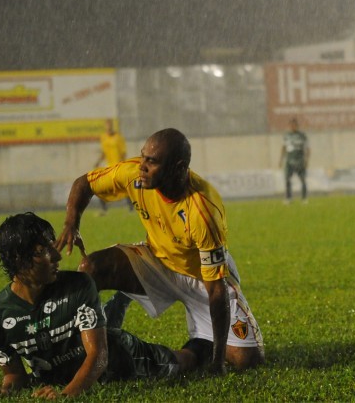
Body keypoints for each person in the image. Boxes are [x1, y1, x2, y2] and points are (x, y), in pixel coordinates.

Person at [56, 128, 265, 374]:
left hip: (204, 279)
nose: (142, 166)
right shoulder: (134, 173)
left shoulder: (202, 211)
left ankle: (201, 349)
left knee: (247, 360)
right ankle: (80, 351)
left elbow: (216, 291)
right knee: (90, 269)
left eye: (152, 162)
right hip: (157, 260)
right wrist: (72, 224)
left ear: (178, 168)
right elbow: (85, 182)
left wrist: (218, 362)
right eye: (143, 157)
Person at [0, 212, 198, 399]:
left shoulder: (78, 285)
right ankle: (120, 302)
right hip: (70, 366)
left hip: (120, 359)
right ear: (18, 260)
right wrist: (5, 390)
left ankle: (208, 345)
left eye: (52, 246)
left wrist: (65, 396)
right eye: (43, 251)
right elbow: (15, 376)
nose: (57, 256)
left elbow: (99, 355)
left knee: (185, 360)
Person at [93, 118, 132, 215]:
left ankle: (132, 209)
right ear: (105, 126)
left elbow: (123, 152)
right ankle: (104, 209)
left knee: (125, 188)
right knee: (100, 187)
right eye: (107, 125)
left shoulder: (118, 137)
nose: (108, 127)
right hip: (109, 168)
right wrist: (98, 162)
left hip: (118, 167)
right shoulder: (103, 137)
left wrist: (123, 165)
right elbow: (104, 152)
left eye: (110, 125)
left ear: (112, 126)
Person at [279, 118, 310, 204]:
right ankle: (288, 198)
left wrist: (307, 160)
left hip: (300, 161)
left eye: (294, 125)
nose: (293, 127)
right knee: (287, 179)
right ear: (289, 126)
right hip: (289, 161)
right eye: (291, 125)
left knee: (303, 180)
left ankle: (304, 198)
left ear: (297, 126)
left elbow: (307, 148)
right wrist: (281, 160)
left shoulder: (302, 136)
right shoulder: (286, 136)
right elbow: (283, 147)